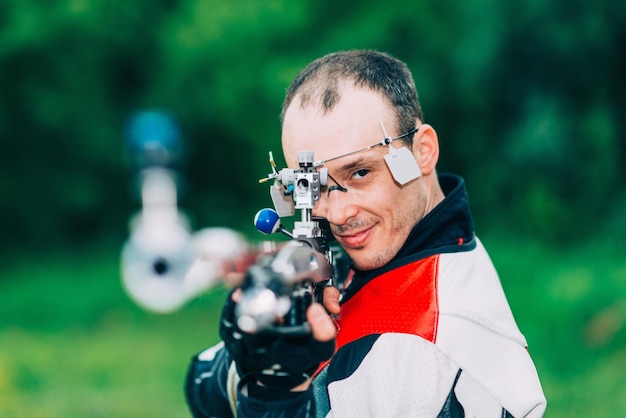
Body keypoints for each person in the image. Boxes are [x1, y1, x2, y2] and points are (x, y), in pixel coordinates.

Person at [185, 50, 547, 417]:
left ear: (423, 151)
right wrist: (250, 351)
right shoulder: (378, 252)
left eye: (360, 173)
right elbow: (199, 382)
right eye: (311, 188)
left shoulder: (423, 346)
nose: (338, 214)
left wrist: (275, 391)